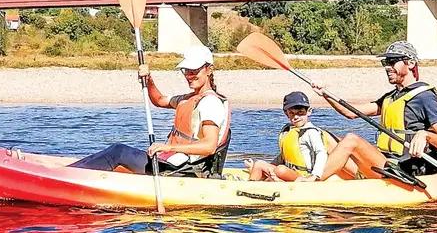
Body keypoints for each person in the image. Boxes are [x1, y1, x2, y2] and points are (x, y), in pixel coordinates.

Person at [68, 45, 231, 177]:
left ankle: (69, 175)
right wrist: (149, 80)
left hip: (184, 170)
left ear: (209, 70)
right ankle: (72, 170)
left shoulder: (210, 103)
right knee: (116, 154)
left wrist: (168, 148)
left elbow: (209, 146)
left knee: (118, 152)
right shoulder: (189, 98)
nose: (189, 75)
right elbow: (159, 101)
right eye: (186, 70)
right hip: (174, 162)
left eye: (195, 71)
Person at [311, 40, 437, 180]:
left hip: (407, 168)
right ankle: (311, 177)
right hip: (387, 163)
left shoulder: (425, 97)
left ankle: (314, 181)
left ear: (411, 63)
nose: (387, 67)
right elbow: (350, 112)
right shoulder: (391, 97)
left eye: (393, 62)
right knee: (326, 138)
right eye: (386, 62)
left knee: (351, 140)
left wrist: (425, 135)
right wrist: (325, 93)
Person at [244, 91, 329, 182]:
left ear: (309, 111)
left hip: (304, 175)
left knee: (280, 170)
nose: (296, 117)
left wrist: (315, 175)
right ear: (286, 113)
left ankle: (276, 180)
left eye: (300, 113)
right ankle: (251, 185)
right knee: (259, 164)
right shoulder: (289, 131)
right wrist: (269, 166)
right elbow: (283, 157)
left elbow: (321, 153)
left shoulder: (311, 132)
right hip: (289, 171)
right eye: (292, 113)